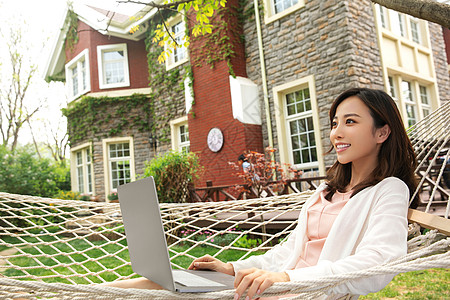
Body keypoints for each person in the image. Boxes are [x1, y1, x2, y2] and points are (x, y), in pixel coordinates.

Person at [103, 88, 418, 299]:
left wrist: (286, 279)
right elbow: (287, 253)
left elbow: (378, 265)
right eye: (334, 123)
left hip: (302, 292)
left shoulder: (389, 189)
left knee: (174, 293)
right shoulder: (326, 190)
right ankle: (72, 291)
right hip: (277, 285)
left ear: (382, 131)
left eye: (350, 122)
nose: (336, 132)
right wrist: (233, 269)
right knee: (162, 282)